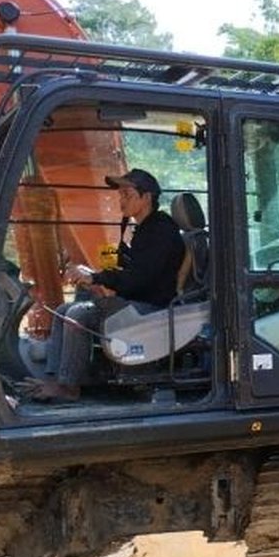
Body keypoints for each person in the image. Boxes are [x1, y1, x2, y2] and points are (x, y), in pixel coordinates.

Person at [19, 169, 185, 402]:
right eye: (120, 195)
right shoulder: (141, 228)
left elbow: (139, 279)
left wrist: (96, 278)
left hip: (153, 306)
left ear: (146, 197)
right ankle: (56, 378)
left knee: (77, 314)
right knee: (63, 310)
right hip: (135, 300)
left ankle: (70, 387)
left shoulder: (161, 230)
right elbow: (129, 273)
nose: (121, 200)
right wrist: (93, 278)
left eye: (127, 194)